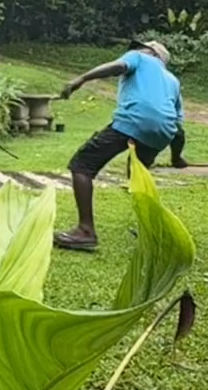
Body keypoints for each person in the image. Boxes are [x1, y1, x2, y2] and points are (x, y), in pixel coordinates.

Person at [55, 39, 184, 251]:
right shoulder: (172, 80)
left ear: (152, 52)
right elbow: (178, 129)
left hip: (133, 119)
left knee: (82, 165)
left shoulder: (140, 58)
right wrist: (177, 158)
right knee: (138, 178)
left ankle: (85, 231)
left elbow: (118, 67)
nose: (133, 49)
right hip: (163, 131)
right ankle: (151, 231)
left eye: (141, 47)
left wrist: (81, 79)